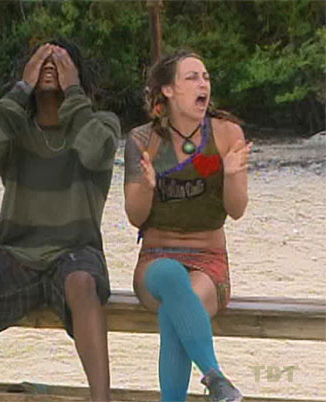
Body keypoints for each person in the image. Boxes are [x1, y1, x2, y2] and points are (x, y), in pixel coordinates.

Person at [0, 39, 120, 401]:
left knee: (83, 284)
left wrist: (74, 92)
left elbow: (97, 152)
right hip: (16, 251)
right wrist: (21, 89)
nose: (50, 67)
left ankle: (102, 399)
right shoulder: (15, 129)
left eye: (60, 62)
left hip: (75, 251)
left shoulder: (99, 124)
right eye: (41, 62)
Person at [124, 50, 251, 401]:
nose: (203, 84)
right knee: (168, 275)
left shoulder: (226, 134)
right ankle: (216, 377)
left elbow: (237, 210)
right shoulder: (143, 140)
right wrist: (146, 187)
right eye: (192, 77)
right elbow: (135, 217)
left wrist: (232, 175)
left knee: (177, 309)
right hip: (155, 259)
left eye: (206, 77)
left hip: (208, 262)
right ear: (168, 90)